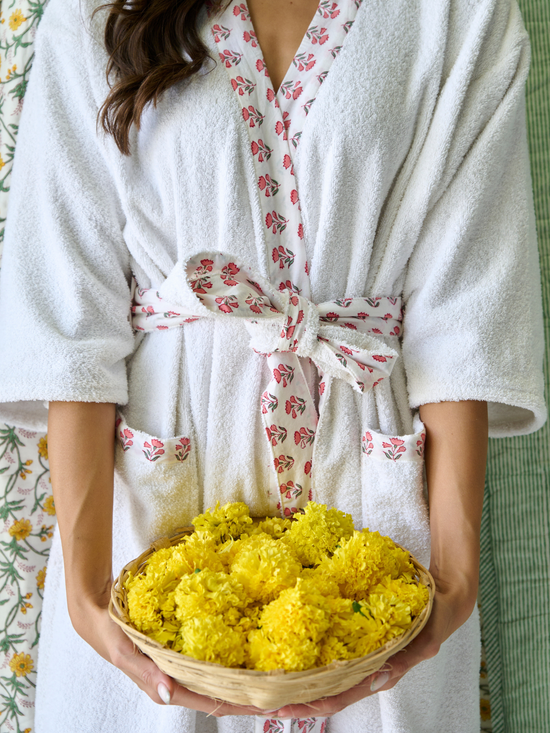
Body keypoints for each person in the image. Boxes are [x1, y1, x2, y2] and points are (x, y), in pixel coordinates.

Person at [0, 0, 545, 730]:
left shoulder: (459, 15)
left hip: (376, 493)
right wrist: (87, 591)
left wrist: (454, 578)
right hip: (155, 498)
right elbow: (72, 314)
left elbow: (465, 316)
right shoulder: (92, 12)